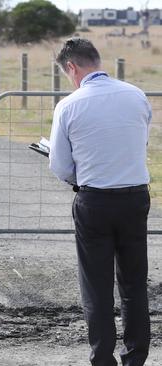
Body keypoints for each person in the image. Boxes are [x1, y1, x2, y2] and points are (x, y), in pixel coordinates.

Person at [49, 38, 151, 366]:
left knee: (97, 286)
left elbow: (60, 166)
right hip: (135, 196)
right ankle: (135, 357)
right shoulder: (136, 95)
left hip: (94, 200)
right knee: (134, 283)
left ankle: (102, 359)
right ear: (97, 60)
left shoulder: (69, 105)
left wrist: (79, 175)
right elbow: (139, 139)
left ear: (71, 67)